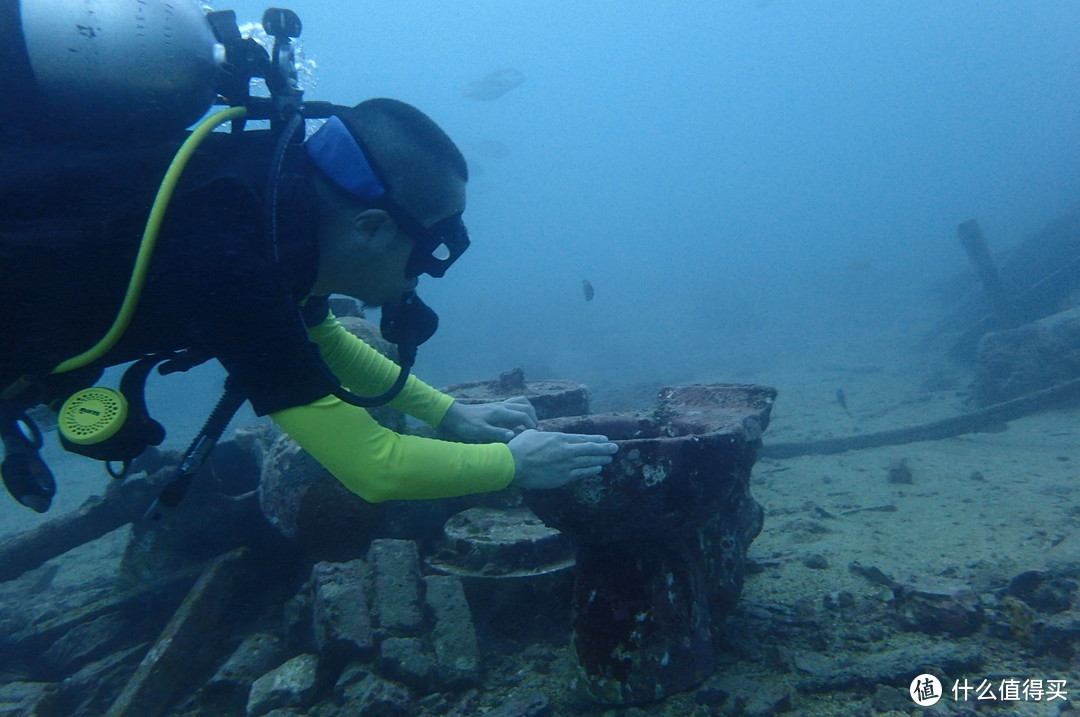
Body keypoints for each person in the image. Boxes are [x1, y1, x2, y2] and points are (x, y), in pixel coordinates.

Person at [0, 97, 618, 511]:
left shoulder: (269, 208)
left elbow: (321, 336)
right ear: (373, 228)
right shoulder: (233, 257)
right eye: (426, 253)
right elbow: (375, 467)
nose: (419, 280)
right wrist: (513, 466)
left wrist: (451, 415)